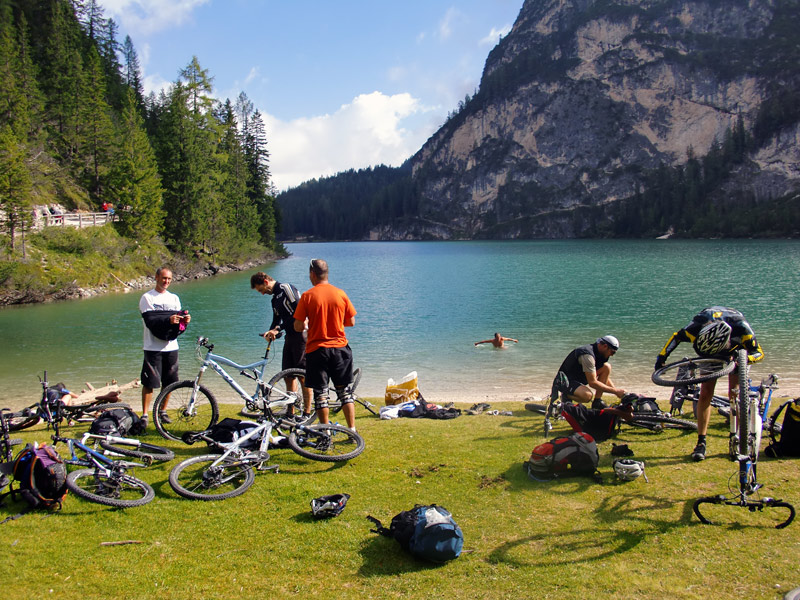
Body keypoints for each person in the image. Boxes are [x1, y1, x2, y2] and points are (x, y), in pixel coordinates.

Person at [654, 306, 764, 461]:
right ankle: (701, 442)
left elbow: (759, 353)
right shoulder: (696, 326)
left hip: (736, 350)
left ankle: (737, 437)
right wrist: (661, 358)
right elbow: (675, 338)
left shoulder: (742, 329)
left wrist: (745, 359)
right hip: (707, 352)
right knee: (705, 392)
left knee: (735, 393)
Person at [293, 258, 358, 431]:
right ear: (326, 273)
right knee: (345, 392)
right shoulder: (340, 293)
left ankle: (325, 432)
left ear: (312, 274)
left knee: (321, 394)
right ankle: (352, 430)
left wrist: (308, 322)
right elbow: (351, 321)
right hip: (340, 349)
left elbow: (298, 326)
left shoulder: (307, 296)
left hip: (317, 350)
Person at [250, 271, 312, 418]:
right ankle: (290, 412)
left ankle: (307, 412)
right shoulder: (274, 300)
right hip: (290, 338)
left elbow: (299, 312)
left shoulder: (286, 288)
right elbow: (276, 321)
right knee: (288, 376)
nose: (262, 294)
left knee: (303, 376)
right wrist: (271, 332)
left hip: (301, 335)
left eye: (261, 290)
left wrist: (279, 329)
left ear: (265, 282)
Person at [139, 267, 190, 430]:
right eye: (163, 278)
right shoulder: (147, 298)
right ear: (156, 278)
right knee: (149, 382)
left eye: (169, 279)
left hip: (171, 346)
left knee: (169, 382)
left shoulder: (174, 298)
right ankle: (145, 415)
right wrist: (168, 319)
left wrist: (184, 321)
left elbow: (177, 325)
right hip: (152, 347)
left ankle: (162, 411)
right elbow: (151, 321)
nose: (166, 281)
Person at [553, 335, 626, 409]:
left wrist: (618, 393)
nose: (612, 355)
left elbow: (604, 378)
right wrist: (615, 391)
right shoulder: (588, 355)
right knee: (587, 396)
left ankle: (597, 402)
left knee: (606, 367)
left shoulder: (600, 354)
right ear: (605, 346)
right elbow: (592, 383)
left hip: (578, 379)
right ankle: (566, 395)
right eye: (612, 352)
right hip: (565, 381)